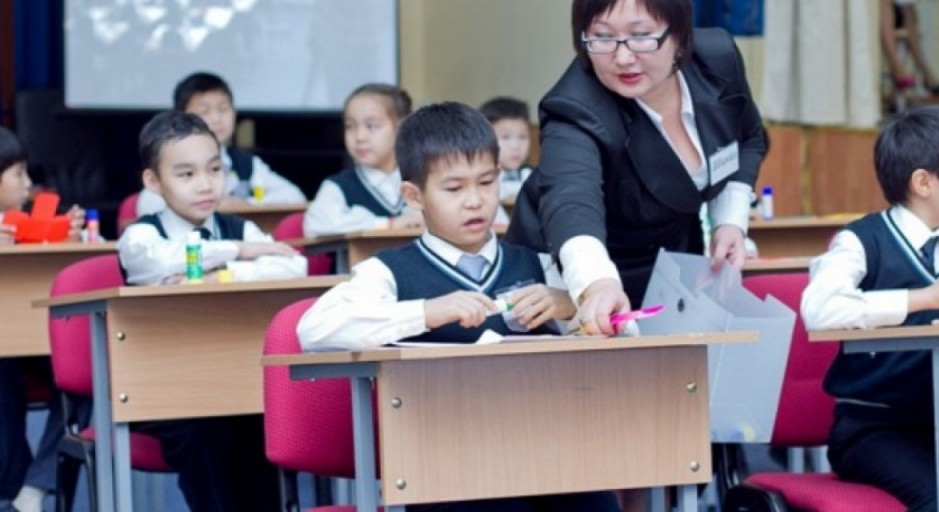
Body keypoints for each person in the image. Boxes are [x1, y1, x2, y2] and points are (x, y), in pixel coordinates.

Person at [298, 102, 619, 512]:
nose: (474, 201)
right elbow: (315, 329)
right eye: (453, 189)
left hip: (546, 452)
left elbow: (623, 329)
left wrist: (569, 307)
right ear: (413, 195)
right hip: (442, 468)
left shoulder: (539, 264)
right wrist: (425, 312)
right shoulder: (389, 272)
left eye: (486, 182)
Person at [505, 0, 767, 337]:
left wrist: (730, 221)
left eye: (641, 36)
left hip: (668, 262)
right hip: (565, 278)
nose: (623, 57)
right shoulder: (574, 107)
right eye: (602, 37)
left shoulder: (717, 58)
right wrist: (596, 282)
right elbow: (571, 201)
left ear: (678, 33)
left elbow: (747, 138)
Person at [801, 106, 939, 511]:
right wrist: (925, 297)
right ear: (924, 182)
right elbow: (820, 308)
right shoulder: (862, 240)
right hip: (875, 429)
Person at [119, 110, 305, 511]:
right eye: (186, 174)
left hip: (236, 384)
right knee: (204, 438)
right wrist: (239, 252)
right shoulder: (141, 235)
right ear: (153, 182)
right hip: (164, 392)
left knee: (262, 430)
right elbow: (158, 261)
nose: (205, 184)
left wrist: (222, 273)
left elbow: (292, 265)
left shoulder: (241, 226)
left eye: (215, 169)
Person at [0, 126, 89, 512]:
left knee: (88, 373)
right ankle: (10, 488)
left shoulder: (23, 222)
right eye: (18, 173)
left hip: (37, 339)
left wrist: (65, 237)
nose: (28, 184)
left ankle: (34, 488)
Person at [136, 72, 307, 216]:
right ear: (181, 116)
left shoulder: (244, 163)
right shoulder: (172, 160)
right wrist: (210, 205)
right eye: (204, 111)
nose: (216, 119)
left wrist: (245, 204)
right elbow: (147, 204)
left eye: (223, 109)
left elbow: (295, 197)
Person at [303, 83, 423, 236]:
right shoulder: (338, 186)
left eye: (372, 126)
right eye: (350, 126)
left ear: (402, 128)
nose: (359, 137)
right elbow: (315, 225)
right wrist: (388, 224)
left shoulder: (422, 181)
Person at [480, 97, 533, 203]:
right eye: (505, 137)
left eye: (522, 137)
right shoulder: (480, 180)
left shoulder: (533, 176)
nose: (516, 146)